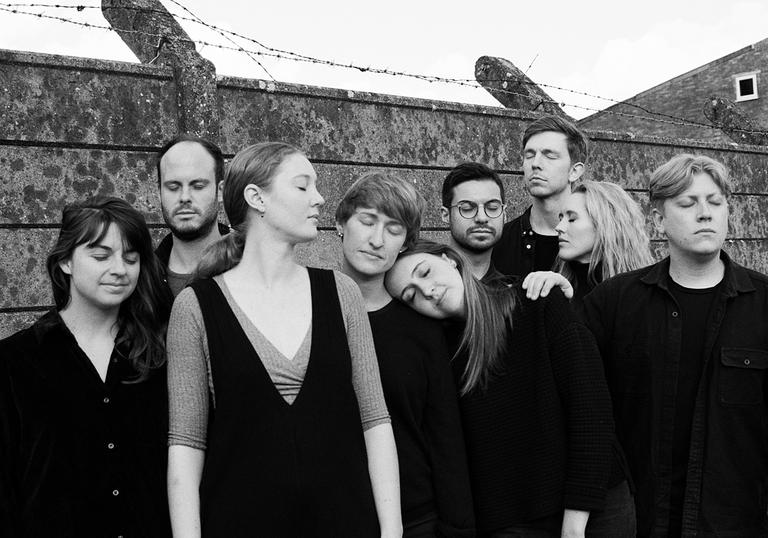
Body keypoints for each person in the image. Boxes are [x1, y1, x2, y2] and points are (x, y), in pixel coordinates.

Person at [166, 142, 401, 537]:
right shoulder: (195, 308)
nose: (320, 198)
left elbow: (375, 423)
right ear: (257, 198)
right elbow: (186, 446)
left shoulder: (341, 294)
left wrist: (391, 532)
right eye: (303, 186)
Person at [386, 241, 633, 538]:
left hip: (592, 510)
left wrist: (575, 524)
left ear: (449, 259)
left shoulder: (536, 302)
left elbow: (591, 411)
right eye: (411, 296)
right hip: (511, 522)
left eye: (424, 272)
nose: (426, 291)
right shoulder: (440, 354)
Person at [583, 154, 768, 536]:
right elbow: (584, 411)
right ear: (657, 220)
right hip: (641, 519)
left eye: (715, 202)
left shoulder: (763, 304)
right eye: (688, 203)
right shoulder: (615, 303)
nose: (705, 214)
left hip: (735, 522)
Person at [0, 197, 172, 538]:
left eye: (131, 257)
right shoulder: (13, 361)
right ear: (65, 260)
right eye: (101, 256)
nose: (120, 269)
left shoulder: (160, 356)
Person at [336, 172, 475, 537]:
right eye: (367, 221)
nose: (377, 239)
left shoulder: (421, 326)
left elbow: (445, 437)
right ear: (339, 224)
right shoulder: (308, 310)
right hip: (333, 512)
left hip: (417, 518)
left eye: (394, 229)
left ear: (405, 244)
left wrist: (456, 527)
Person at [527, 180, 653, 311]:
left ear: (605, 226)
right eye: (560, 219)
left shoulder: (640, 294)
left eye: (571, 219)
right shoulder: (556, 286)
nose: (559, 227)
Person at [492, 115, 588, 278]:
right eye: (529, 155)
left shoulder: (594, 241)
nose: (535, 163)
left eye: (549, 156)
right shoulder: (499, 242)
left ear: (574, 171)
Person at [155, 134, 229, 297]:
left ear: (220, 191)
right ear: (159, 193)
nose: (184, 197)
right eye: (173, 187)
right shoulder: (141, 279)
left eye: (198, 186)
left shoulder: (252, 267)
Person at [441, 162, 506, 282]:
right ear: (446, 215)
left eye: (492, 208)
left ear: (504, 214)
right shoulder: (424, 285)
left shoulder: (516, 292)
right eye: (467, 208)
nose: (481, 218)